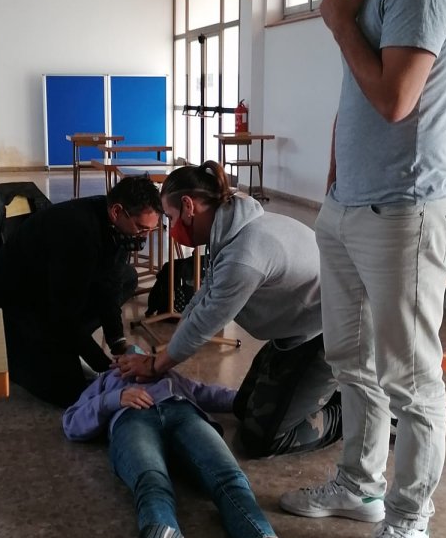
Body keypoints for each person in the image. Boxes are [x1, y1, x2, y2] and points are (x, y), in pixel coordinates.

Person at [282, 0, 446, 538]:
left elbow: (395, 98)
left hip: (405, 209)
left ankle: (409, 518)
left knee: (413, 376)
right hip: (350, 204)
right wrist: (334, 182)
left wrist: (337, 22)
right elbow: (356, 103)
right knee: (351, 358)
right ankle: (358, 483)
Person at [63, 364, 356, 538]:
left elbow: (213, 394)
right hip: (131, 420)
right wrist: (114, 398)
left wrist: (257, 403)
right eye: (124, 356)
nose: (132, 356)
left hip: (185, 416)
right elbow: (72, 423)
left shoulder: (168, 375)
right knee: (151, 481)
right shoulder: (105, 382)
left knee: (230, 478)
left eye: (140, 354)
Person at [120, 160, 342, 458]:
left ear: (188, 206)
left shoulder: (244, 254)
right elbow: (205, 298)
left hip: (331, 332)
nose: (172, 229)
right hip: (297, 330)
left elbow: (205, 323)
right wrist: (163, 353)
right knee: (243, 408)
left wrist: (155, 365)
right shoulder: (231, 228)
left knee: (260, 441)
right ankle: (312, 394)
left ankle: (351, 410)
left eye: (171, 218)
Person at [0, 175, 161, 406]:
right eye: (140, 229)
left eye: (150, 231)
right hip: (14, 305)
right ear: (117, 212)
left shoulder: (116, 227)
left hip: (49, 293)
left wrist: (119, 345)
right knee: (71, 392)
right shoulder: (77, 231)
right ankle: (28, 351)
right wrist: (107, 367)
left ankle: (64, 346)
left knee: (126, 278)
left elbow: (108, 287)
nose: (143, 237)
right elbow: (62, 313)